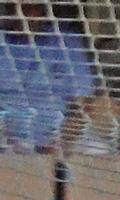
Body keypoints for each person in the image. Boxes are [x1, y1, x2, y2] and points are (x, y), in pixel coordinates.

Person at [0, 1, 97, 153]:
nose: (28, 15)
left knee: (97, 151)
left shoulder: (65, 41)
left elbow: (83, 103)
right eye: (21, 8)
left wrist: (61, 141)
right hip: (7, 138)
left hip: (59, 137)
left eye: (34, 8)